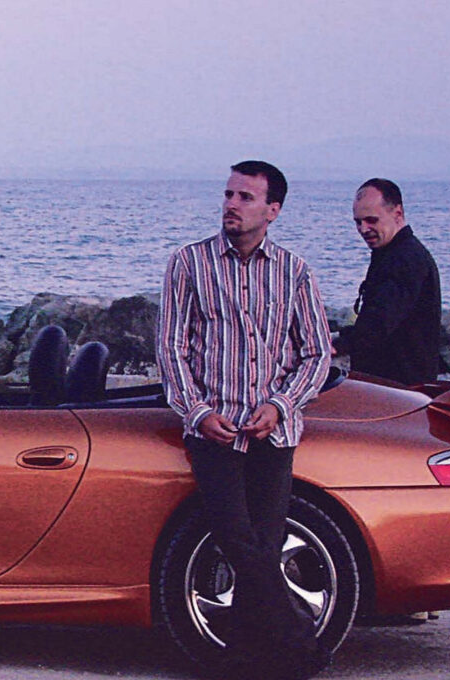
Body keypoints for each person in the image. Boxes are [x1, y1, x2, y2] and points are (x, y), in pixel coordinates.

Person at [156, 161, 333, 678]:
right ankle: (303, 650)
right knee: (237, 541)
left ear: (272, 210)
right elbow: (171, 348)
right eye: (229, 194)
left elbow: (317, 353)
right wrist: (197, 412)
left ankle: (243, 661)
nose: (231, 204)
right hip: (214, 431)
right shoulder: (189, 263)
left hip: (274, 434)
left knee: (265, 547)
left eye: (246, 197)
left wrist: (280, 405)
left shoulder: (294, 271)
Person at [333, 178, 442, 385]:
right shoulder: (391, 253)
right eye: (358, 222)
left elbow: (378, 324)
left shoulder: (405, 258)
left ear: (398, 214)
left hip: (400, 387)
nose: (363, 229)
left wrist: (335, 344)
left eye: (371, 220)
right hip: (390, 383)